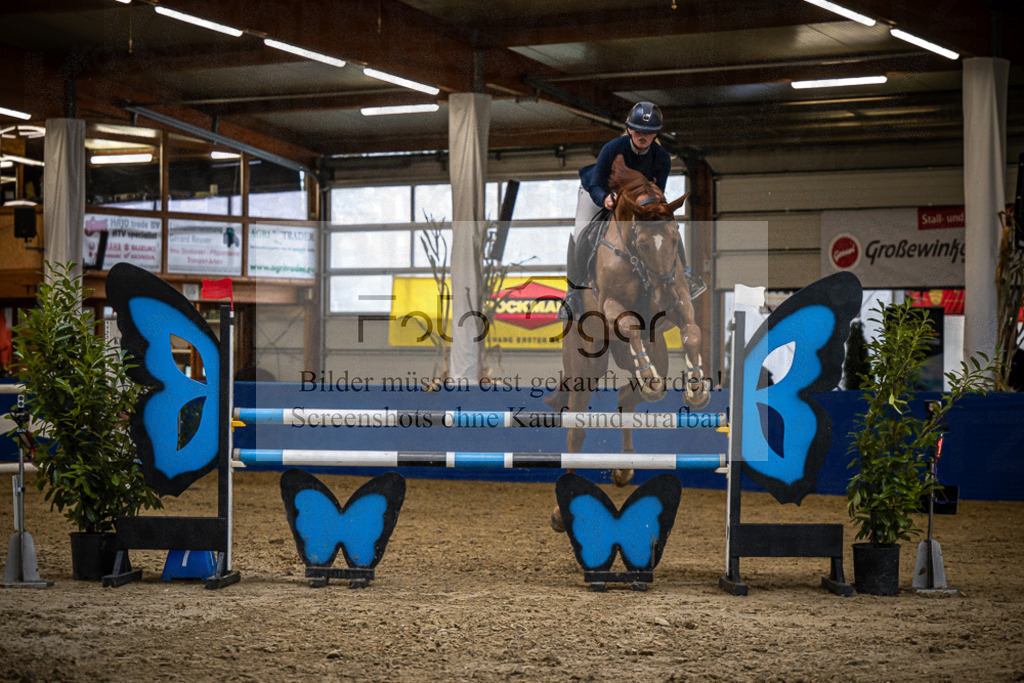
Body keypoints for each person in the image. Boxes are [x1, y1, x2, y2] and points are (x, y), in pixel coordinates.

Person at [563, 102, 702, 320]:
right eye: (638, 130)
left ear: (655, 134)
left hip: (635, 203)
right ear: (629, 129)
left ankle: (685, 275)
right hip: (597, 192)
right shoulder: (612, 149)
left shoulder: (662, 158)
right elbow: (596, 184)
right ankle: (572, 294)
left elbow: (657, 192)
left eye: (648, 132)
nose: (642, 135)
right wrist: (606, 199)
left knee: (667, 229)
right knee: (581, 234)